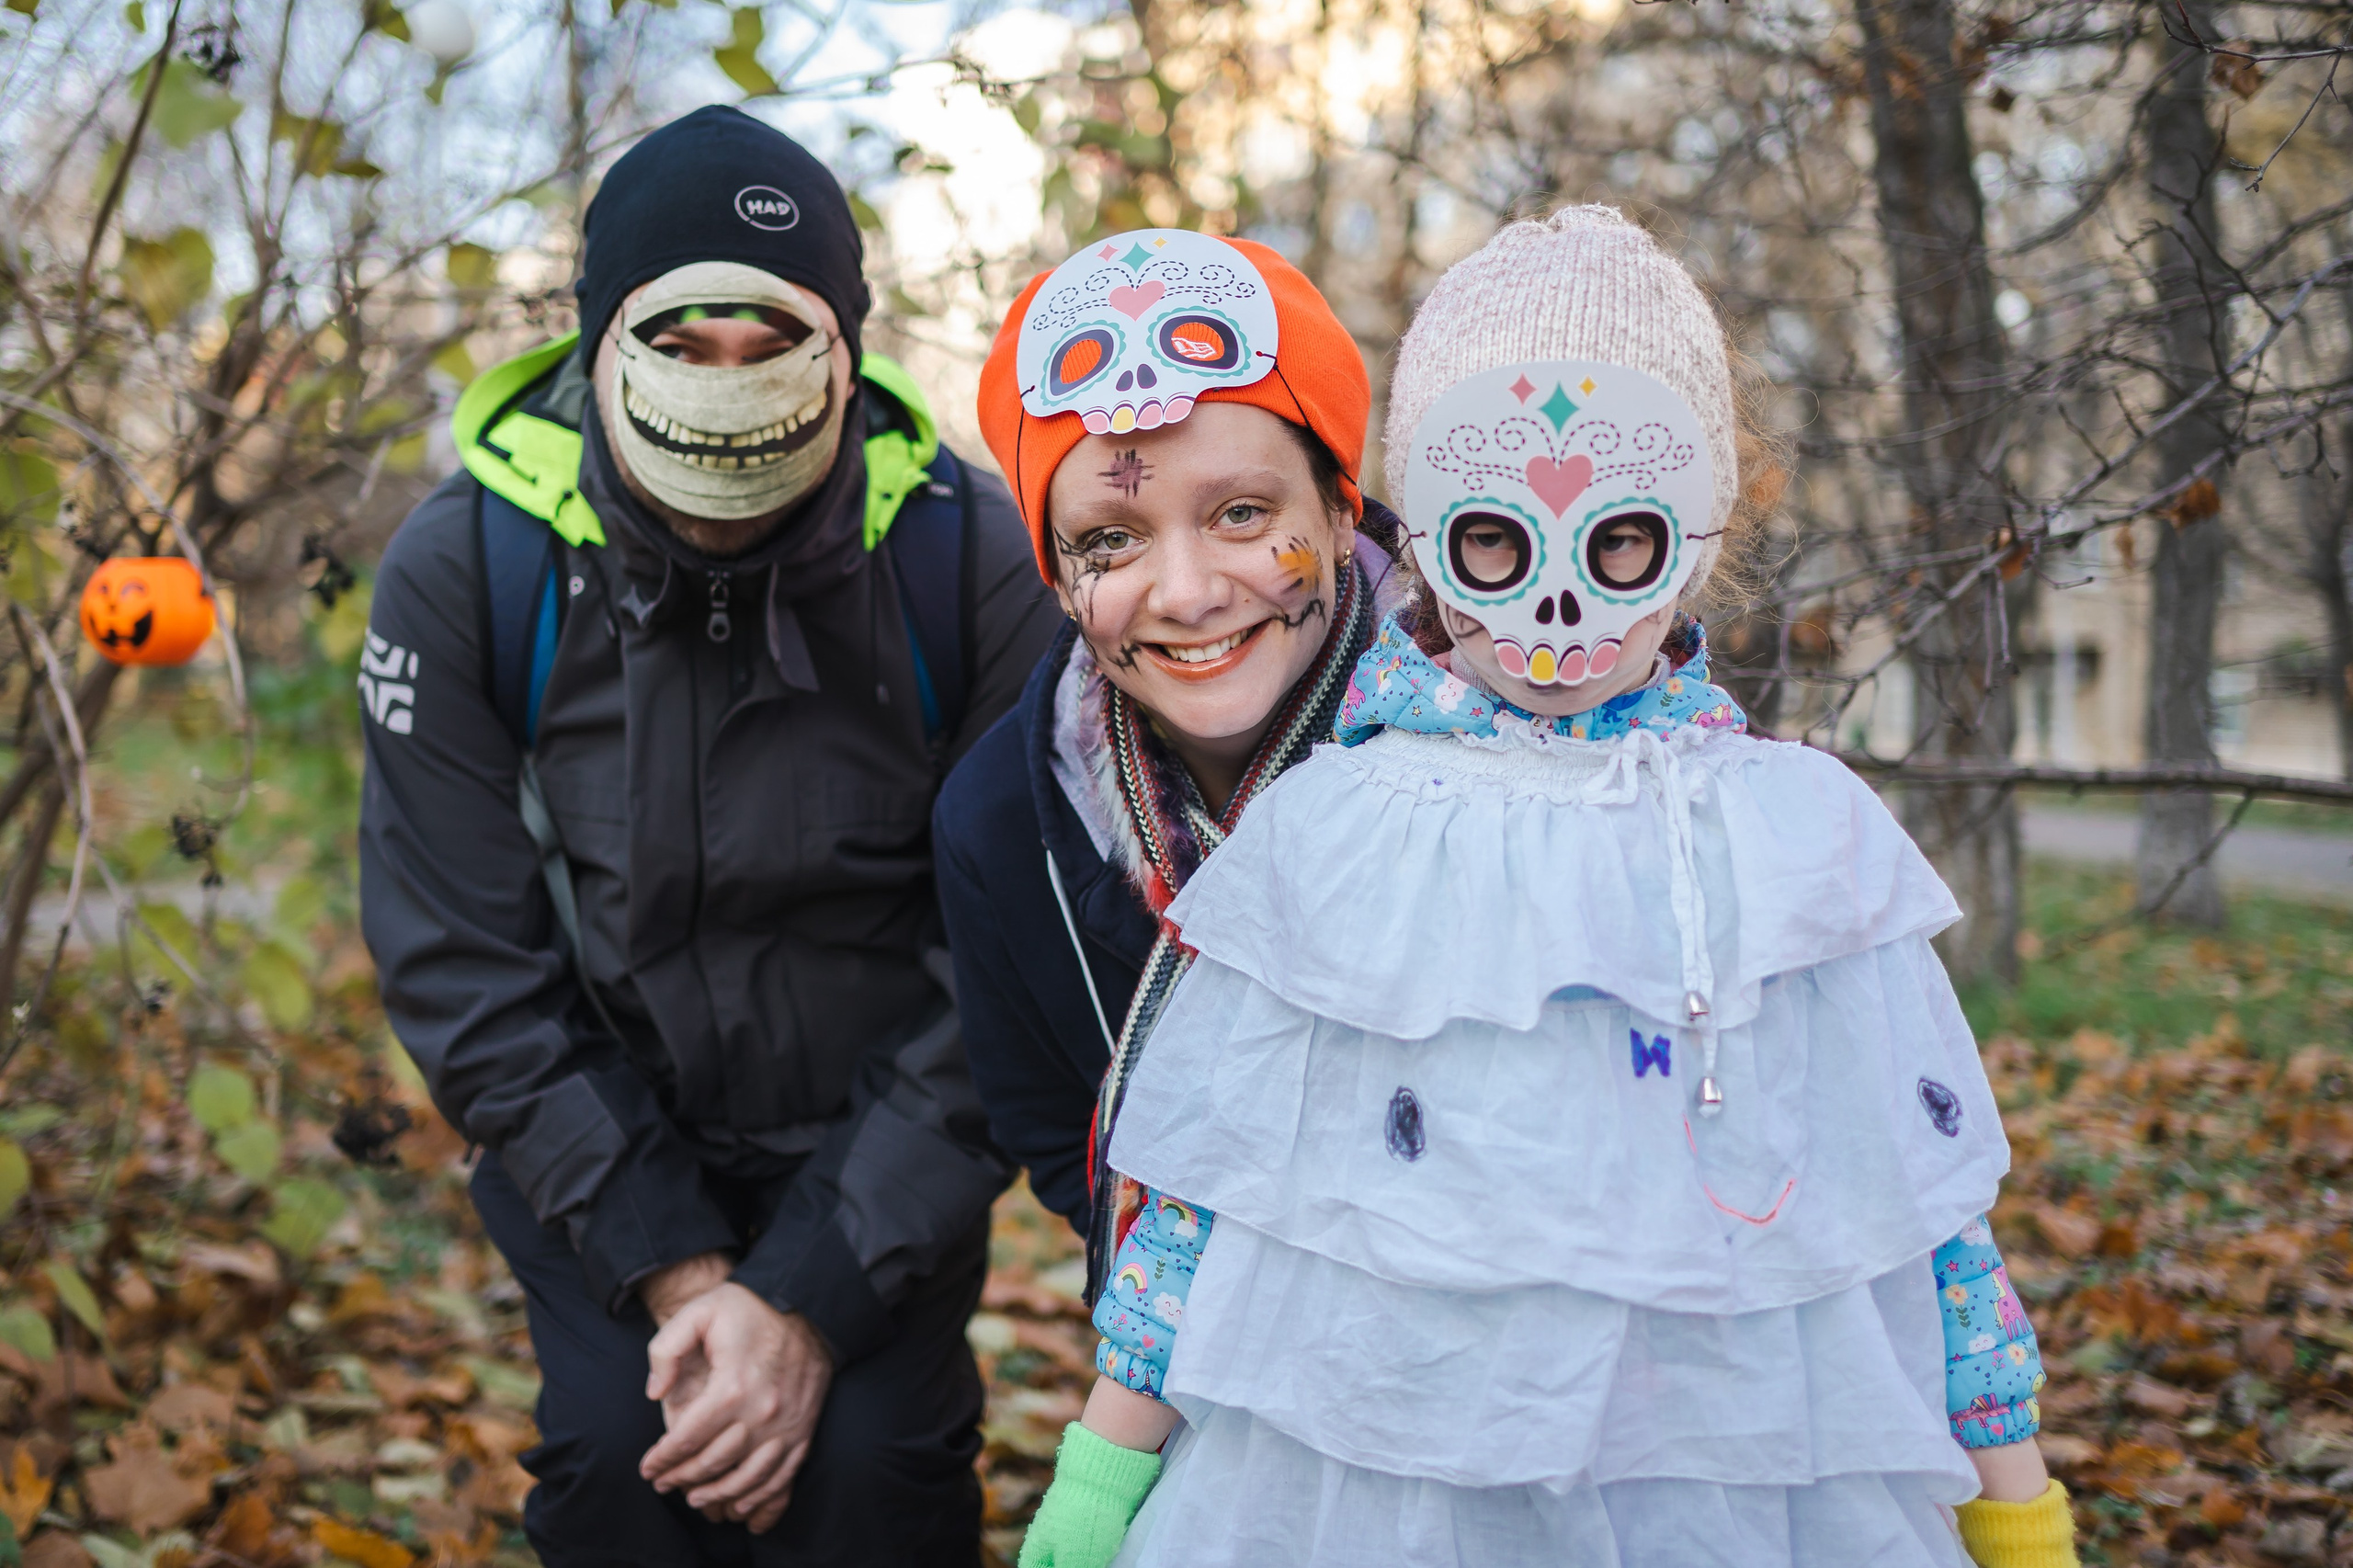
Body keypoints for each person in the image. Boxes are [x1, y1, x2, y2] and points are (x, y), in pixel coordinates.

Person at [1016, 209, 2080, 1568]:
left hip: (1732, 1478)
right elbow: (1219, 1196)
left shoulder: (1796, 846)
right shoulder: (1337, 834)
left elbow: (1921, 1210)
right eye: (1499, 544)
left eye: (1620, 540)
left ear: (1698, 529)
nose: (1562, 611)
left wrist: (2016, 1501)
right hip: (1382, 1475)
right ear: (1424, 522)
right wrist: (1104, 1470)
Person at [358, 106, 1061, 1566]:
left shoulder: (965, 561)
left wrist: (807, 1298)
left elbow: (1006, 962)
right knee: (630, 1469)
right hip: (600, 1152)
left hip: (883, 1158)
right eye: (681, 344)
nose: (726, 386)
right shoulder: (474, 567)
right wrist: (688, 1282)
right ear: (603, 342)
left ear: (846, 351)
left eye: (771, 344)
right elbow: (462, 964)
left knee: (878, 1483)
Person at [932, 227, 1410, 1267]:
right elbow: (1062, 1140)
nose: (1187, 593)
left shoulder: (1517, 752)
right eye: (1112, 538)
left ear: (1337, 509)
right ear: (1057, 579)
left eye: (1242, 514)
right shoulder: (1004, 827)